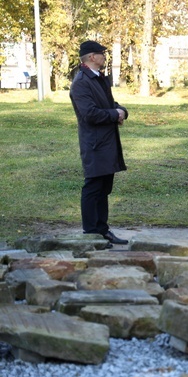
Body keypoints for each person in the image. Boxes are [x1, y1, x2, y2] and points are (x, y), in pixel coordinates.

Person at [70, 40, 129, 245]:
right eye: (101, 54)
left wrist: (121, 111)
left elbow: (109, 104)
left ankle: (103, 230)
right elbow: (90, 114)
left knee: (104, 187)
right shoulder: (81, 82)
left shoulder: (99, 78)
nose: (105, 57)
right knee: (93, 186)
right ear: (92, 57)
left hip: (106, 141)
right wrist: (115, 114)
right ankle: (91, 232)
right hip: (94, 143)